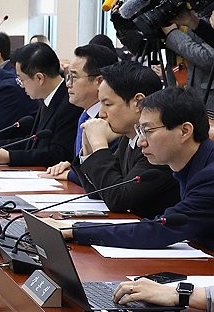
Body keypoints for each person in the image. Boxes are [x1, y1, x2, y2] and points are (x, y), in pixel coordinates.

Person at [52, 87, 214, 249]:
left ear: (184, 131)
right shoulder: (189, 164)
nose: (140, 142)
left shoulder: (209, 177)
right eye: (140, 131)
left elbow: (159, 230)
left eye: (148, 131)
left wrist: (74, 230)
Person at [71, 61, 178, 217]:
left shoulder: (157, 144)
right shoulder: (128, 137)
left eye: (107, 104)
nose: (101, 113)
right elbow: (97, 192)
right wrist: (88, 148)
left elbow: (118, 199)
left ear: (139, 102)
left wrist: (99, 145)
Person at [0, 42, 79, 166]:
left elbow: (58, 154)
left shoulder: (69, 104)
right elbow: (33, 141)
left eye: (21, 79)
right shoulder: (47, 99)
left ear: (39, 78)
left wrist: (10, 157)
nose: (21, 85)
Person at [44, 44, 119, 180]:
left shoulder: (113, 120)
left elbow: (110, 176)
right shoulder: (85, 115)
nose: (68, 84)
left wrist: (72, 174)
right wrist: (74, 167)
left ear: (99, 81)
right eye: (68, 77)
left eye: (74, 77)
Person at [163, 8, 214, 109]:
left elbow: (209, 60)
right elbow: (139, 47)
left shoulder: (207, 6)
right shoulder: (167, 7)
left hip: (206, 97)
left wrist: (172, 34)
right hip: (177, 87)